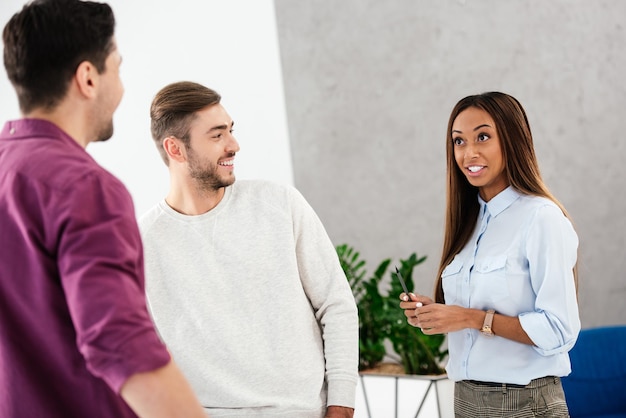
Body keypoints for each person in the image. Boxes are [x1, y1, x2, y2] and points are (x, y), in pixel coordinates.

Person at [0, 1, 206, 417]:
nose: (122, 85)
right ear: (88, 78)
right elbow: (120, 342)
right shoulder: (84, 188)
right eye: (117, 66)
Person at [140, 80, 359, 418]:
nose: (234, 145)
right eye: (216, 135)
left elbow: (336, 304)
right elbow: (141, 355)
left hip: (302, 412)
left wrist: (341, 405)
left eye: (231, 130)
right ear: (175, 149)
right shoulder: (142, 243)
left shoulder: (280, 204)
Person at [400, 92, 580, 417]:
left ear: (511, 140)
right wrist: (437, 313)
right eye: (459, 141)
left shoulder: (541, 218)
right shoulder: (468, 223)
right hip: (466, 400)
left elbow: (559, 330)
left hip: (525, 403)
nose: (469, 153)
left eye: (482, 137)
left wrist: (469, 318)